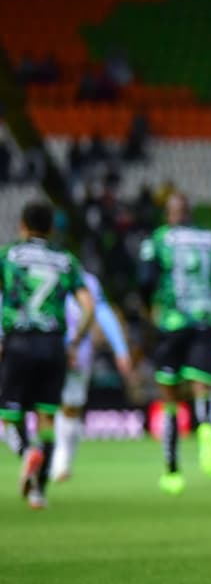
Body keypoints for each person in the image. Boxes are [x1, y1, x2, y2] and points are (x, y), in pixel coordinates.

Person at [138, 193, 211, 494]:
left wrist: (149, 307)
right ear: (190, 213)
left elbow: (145, 278)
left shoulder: (159, 239)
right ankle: (207, 427)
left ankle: (172, 471)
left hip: (172, 320)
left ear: (169, 214)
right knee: (202, 385)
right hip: (204, 319)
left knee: (169, 397)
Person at [0, 200, 95, 510]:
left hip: (19, 341)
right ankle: (38, 493)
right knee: (46, 420)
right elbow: (89, 306)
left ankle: (27, 453)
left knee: (9, 416)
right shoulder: (65, 260)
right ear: (51, 228)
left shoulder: (9, 255)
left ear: (23, 226)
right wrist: (75, 341)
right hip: (54, 345)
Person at [50, 267, 133, 483]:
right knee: (54, 404)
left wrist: (121, 348)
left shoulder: (87, 280)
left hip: (76, 351)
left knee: (70, 405)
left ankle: (61, 458)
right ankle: (58, 458)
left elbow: (102, 312)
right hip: (51, 348)